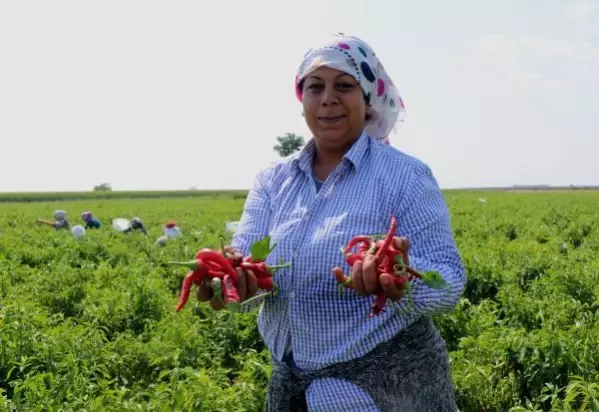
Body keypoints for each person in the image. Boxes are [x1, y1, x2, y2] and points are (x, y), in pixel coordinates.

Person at [197, 33, 466, 411]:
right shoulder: (273, 181)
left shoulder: (405, 176)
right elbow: (250, 268)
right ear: (301, 99)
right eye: (315, 87)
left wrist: (403, 280)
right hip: (293, 386)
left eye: (344, 85)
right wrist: (233, 285)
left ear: (367, 98)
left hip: (383, 387)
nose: (328, 99)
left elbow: (448, 279)